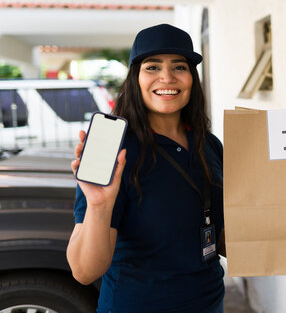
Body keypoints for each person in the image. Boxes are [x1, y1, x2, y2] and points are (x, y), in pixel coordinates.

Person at [67, 24, 226, 313]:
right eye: (152, 67)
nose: (167, 77)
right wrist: (99, 205)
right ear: (136, 78)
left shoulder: (209, 144)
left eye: (179, 66)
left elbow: (224, 236)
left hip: (209, 303)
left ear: (192, 78)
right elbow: (83, 271)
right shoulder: (114, 150)